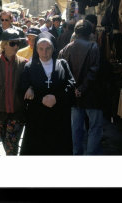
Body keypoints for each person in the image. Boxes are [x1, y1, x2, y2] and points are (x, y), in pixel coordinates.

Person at [20, 34, 75, 155]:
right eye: (41, 48)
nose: (44, 52)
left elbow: (71, 84)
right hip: (37, 117)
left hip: (59, 115)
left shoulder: (63, 64)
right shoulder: (29, 66)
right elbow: (23, 86)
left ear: (54, 48)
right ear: (36, 49)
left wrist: (57, 97)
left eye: (48, 48)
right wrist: (29, 89)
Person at [58, 19, 103, 155]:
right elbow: (93, 72)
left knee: (76, 128)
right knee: (94, 128)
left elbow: (62, 73)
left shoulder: (66, 49)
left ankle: (77, 154)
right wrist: (81, 89)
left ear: (76, 32)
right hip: (91, 96)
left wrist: (74, 90)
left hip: (75, 96)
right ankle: (90, 155)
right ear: (90, 32)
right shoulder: (94, 47)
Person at [0, 28, 28, 155]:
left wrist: (30, 88)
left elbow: (29, 84)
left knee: (11, 145)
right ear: (4, 45)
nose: (16, 46)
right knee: (5, 142)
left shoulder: (24, 63)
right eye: (13, 43)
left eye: (18, 43)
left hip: (17, 112)